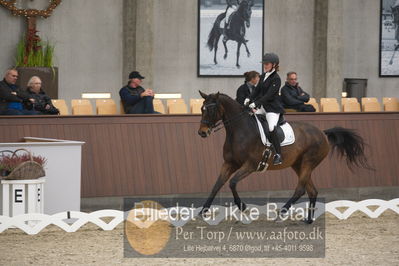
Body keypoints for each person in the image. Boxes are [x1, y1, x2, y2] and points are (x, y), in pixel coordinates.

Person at [245, 53, 284, 165]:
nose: (265, 66)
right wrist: (248, 98)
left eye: (267, 64)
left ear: (274, 65)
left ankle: (278, 154)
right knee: (249, 117)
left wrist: (255, 104)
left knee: (271, 128)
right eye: (264, 64)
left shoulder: (276, 79)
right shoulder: (263, 76)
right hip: (263, 107)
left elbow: (269, 96)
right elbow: (256, 91)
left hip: (272, 109)